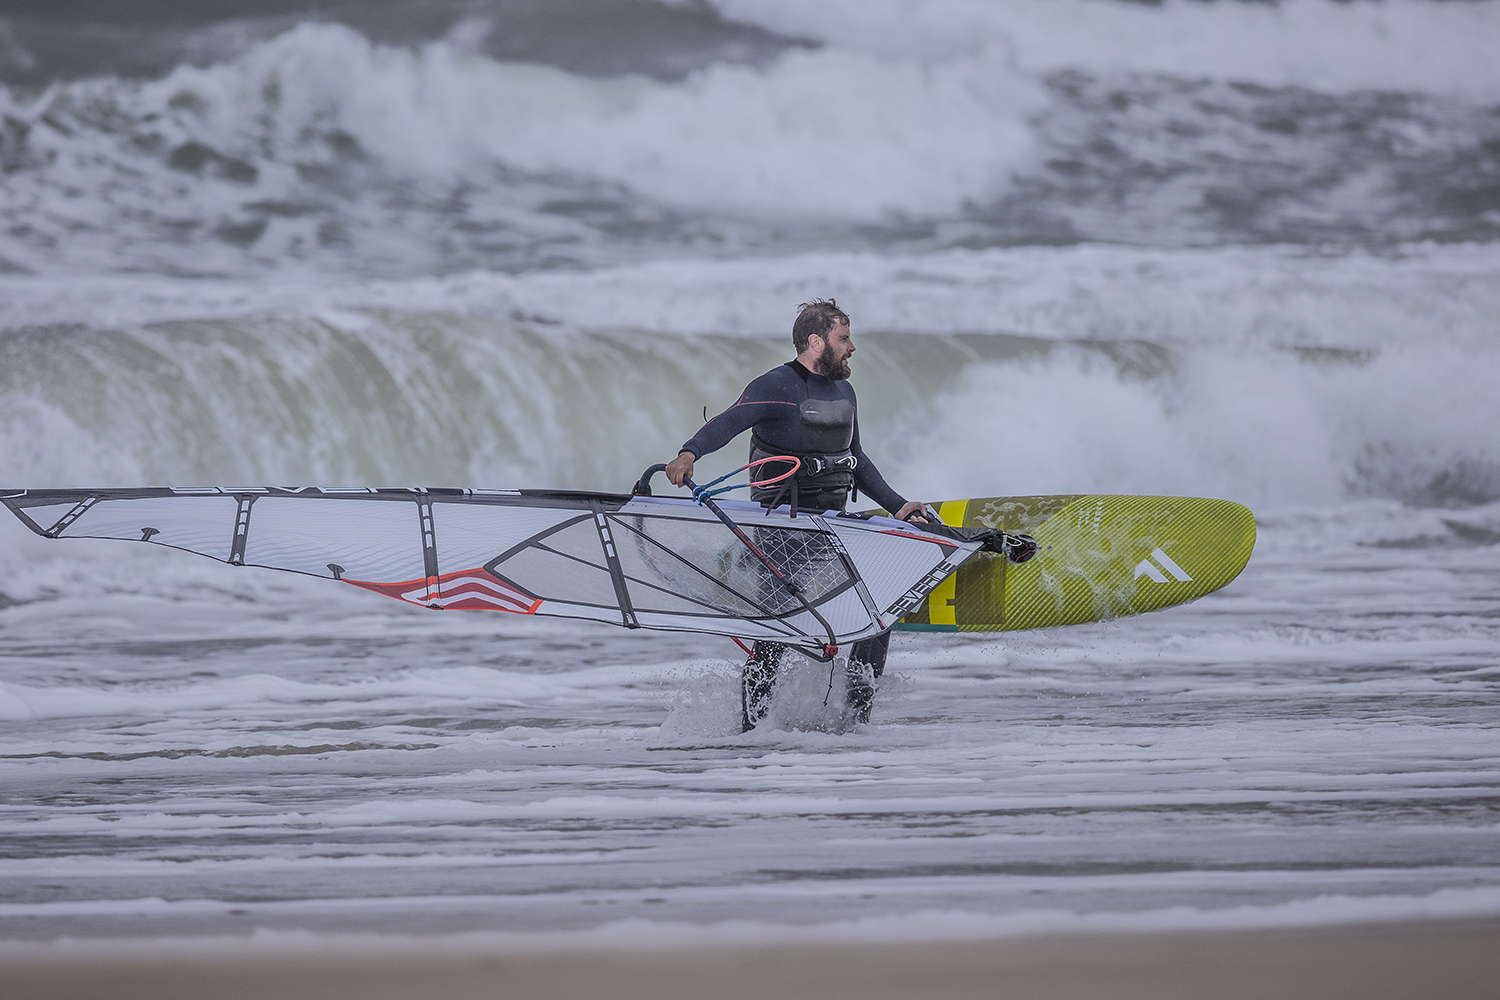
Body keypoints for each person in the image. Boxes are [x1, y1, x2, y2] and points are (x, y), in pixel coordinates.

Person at [664, 299, 929, 731]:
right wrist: (688, 453)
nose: (852, 347)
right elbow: (728, 423)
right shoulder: (777, 386)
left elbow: (854, 460)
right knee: (777, 636)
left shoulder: (845, 392)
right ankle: (752, 732)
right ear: (815, 341)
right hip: (781, 531)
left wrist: (898, 506)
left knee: (877, 616)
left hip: (832, 529)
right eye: (843, 338)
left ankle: (854, 723)